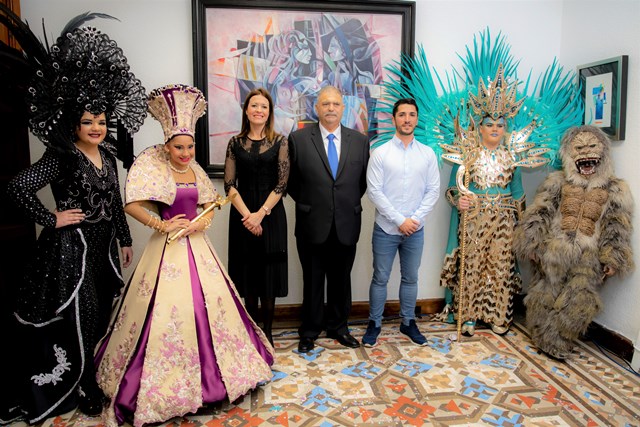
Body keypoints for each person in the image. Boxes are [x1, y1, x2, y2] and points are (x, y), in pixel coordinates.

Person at [96, 84, 275, 427]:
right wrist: (162, 225)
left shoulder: (197, 172)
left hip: (198, 247)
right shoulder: (156, 168)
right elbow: (131, 203)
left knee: (207, 306)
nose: (185, 152)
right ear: (167, 146)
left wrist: (201, 222)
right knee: (168, 312)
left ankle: (218, 372)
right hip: (166, 251)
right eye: (179, 146)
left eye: (190, 146)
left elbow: (210, 206)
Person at [2, 14, 146, 424]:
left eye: (101, 121)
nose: (97, 128)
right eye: (88, 121)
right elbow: (16, 186)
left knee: (101, 314)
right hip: (71, 251)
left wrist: (124, 238)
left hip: (103, 250)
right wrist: (51, 217)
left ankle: (94, 374)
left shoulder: (109, 158)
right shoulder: (61, 157)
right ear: (74, 124)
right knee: (81, 315)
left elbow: (115, 201)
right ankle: (82, 385)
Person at [437, 65, 542, 337]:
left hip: (504, 219)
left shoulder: (512, 156)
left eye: (500, 124)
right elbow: (452, 188)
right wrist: (458, 200)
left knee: (500, 267)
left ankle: (498, 315)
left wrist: (526, 225)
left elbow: (518, 193)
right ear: (479, 126)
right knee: (472, 266)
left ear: (506, 127)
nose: (495, 128)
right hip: (475, 217)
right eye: (489, 123)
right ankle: (468, 315)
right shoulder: (467, 152)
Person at [514, 125, 633, 359]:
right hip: (553, 250)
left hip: (588, 257)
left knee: (579, 300)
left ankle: (558, 339)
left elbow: (617, 226)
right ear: (569, 154)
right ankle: (543, 337)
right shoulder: (557, 182)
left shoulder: (616, 189)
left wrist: (613, 258)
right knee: (544, 294)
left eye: (591, 147)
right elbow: (540, 212)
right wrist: (531, 243)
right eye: (579, 148)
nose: (585, 153)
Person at [288, 85, 370, 353]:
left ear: (343, 108)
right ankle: (309, 330)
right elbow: (292, 183)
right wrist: (315, 204)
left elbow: (361, 184)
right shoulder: (299, 139)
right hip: (312, 222)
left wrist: (340, 204)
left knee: (340, 279)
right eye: (325, 104)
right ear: (317, 108)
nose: (331, 108)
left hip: (347, 221)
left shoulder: (359, 141)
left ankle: (338, 327)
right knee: (312, 279)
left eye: (336, 104)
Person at [362, 98, 440, 347]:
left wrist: (414, 220)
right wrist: (399, 220)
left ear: (417, 119)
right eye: (402, 115)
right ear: (394, 118)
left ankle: (408, 322)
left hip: (415, 230)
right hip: (386, 228)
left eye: (412, 115)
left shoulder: (427, 154)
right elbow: (374, 192)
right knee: (380, 278)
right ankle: (374, 323)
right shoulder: (381, 153)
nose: (407, 119)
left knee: (410, 278)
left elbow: (433, 191)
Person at [224, 87, 290, 346]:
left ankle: (269, 332)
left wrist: (260, 214)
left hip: (271, 214)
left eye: (263, 106)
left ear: (269, 112)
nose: (258, 110)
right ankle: (252, 332)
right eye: (254, 106)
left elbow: (282, 184)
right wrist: (248, 217)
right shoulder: (234, 143)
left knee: (269, 275)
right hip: (242, 214)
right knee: (248, 272)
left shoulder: (280, 142)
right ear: (246, 110)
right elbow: (229, 185)